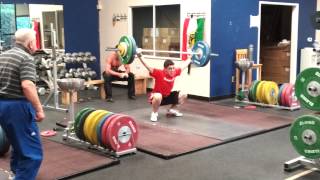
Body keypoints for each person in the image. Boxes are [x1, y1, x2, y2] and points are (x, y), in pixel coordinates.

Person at [0, 28, 45, 179]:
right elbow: (27, 85)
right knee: (33, 154)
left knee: (18, 144)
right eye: (35, 41)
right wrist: (39, 109)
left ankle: (15, 174)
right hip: (17, 107)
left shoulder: (3, 56)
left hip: (3, 106)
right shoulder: (26, 58)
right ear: (30, 43)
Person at [136, 49, 191, 122]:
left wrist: (190, 58)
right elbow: (147, 66)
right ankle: (154, 113)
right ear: (165, 69)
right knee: (158, 96)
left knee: (183, 94)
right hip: (157, 97)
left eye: (173, 68)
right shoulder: (159, 73)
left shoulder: (175, 72)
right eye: (170, 69)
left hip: (167, 96)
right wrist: (140, 55)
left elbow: (184, 65)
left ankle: (171, 110)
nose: (172, 70)